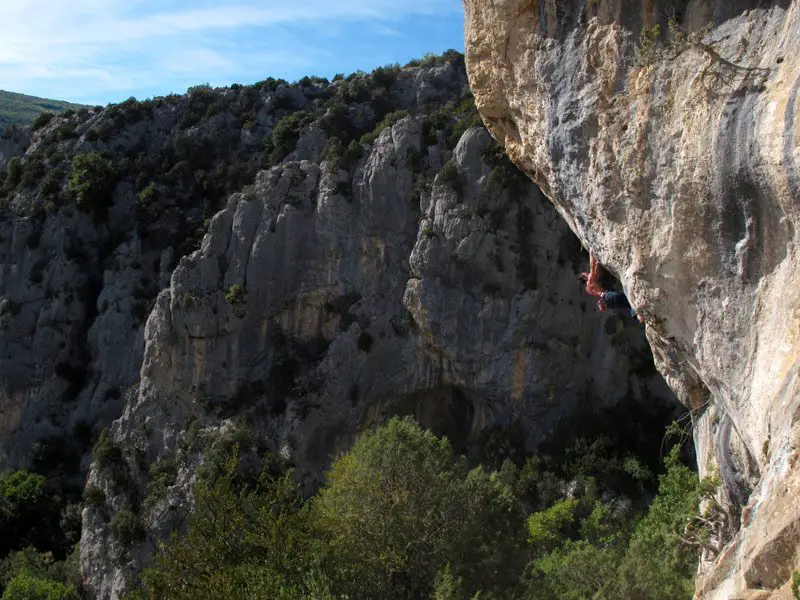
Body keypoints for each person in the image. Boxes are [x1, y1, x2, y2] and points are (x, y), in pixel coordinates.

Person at [579, 252, 644, 323]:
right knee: (629, 296)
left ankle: (637, 316)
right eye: (586, 273)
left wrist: (598, 263)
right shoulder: (590, 281)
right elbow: (592, 266)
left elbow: (595, 271)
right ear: (585, 278)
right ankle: (638, 316)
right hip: (607, 295)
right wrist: (591, 254)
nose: (587, 273)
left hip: (608, 303)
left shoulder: (588, 288)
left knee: (628, 302)